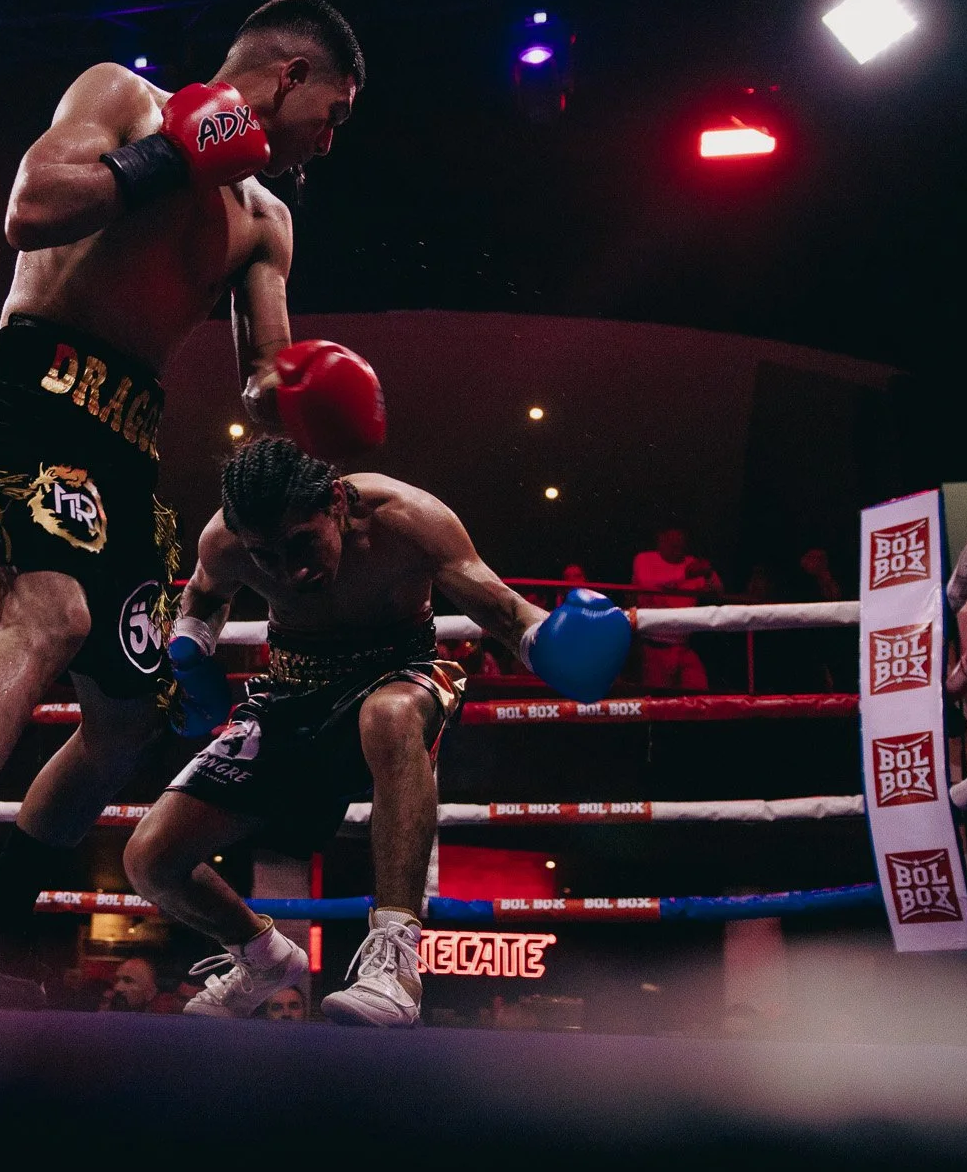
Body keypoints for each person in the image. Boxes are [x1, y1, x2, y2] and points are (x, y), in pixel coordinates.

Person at [0, 0, 368, 1005]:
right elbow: (28, 210)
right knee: (50, 614)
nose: (330, 139)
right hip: (31, 388)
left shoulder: (269, 221)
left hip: (126, 438)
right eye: (333, 111)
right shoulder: (122, 97)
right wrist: (172, 157)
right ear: (292, 74)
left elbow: (263, 375)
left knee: (126, 721)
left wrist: (303, 387)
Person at [123, 439, 629, 1027]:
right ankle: (262, 957)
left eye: (301, 543)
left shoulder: (407, 519)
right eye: (268, 556)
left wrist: (555, 643)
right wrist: (193, 643)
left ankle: (396, 963)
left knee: (385, 716)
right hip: (292, 691)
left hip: (402, 674)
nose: (292, 571)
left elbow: (505, 611)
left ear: (337, 501)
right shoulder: (228, 539)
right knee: (150, 860)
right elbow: (205, 595)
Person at [630, 526, 721, 691]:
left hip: (684, 647)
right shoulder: (645, 560)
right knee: (659, 700)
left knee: (699, 691)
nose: (676, 548)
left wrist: (707, 573)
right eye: (672, 544)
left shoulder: (691, 563)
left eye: (680, 545)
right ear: (660, 539)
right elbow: (646, 583)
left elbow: (718, 590)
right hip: (654, 646)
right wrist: (685, 574)